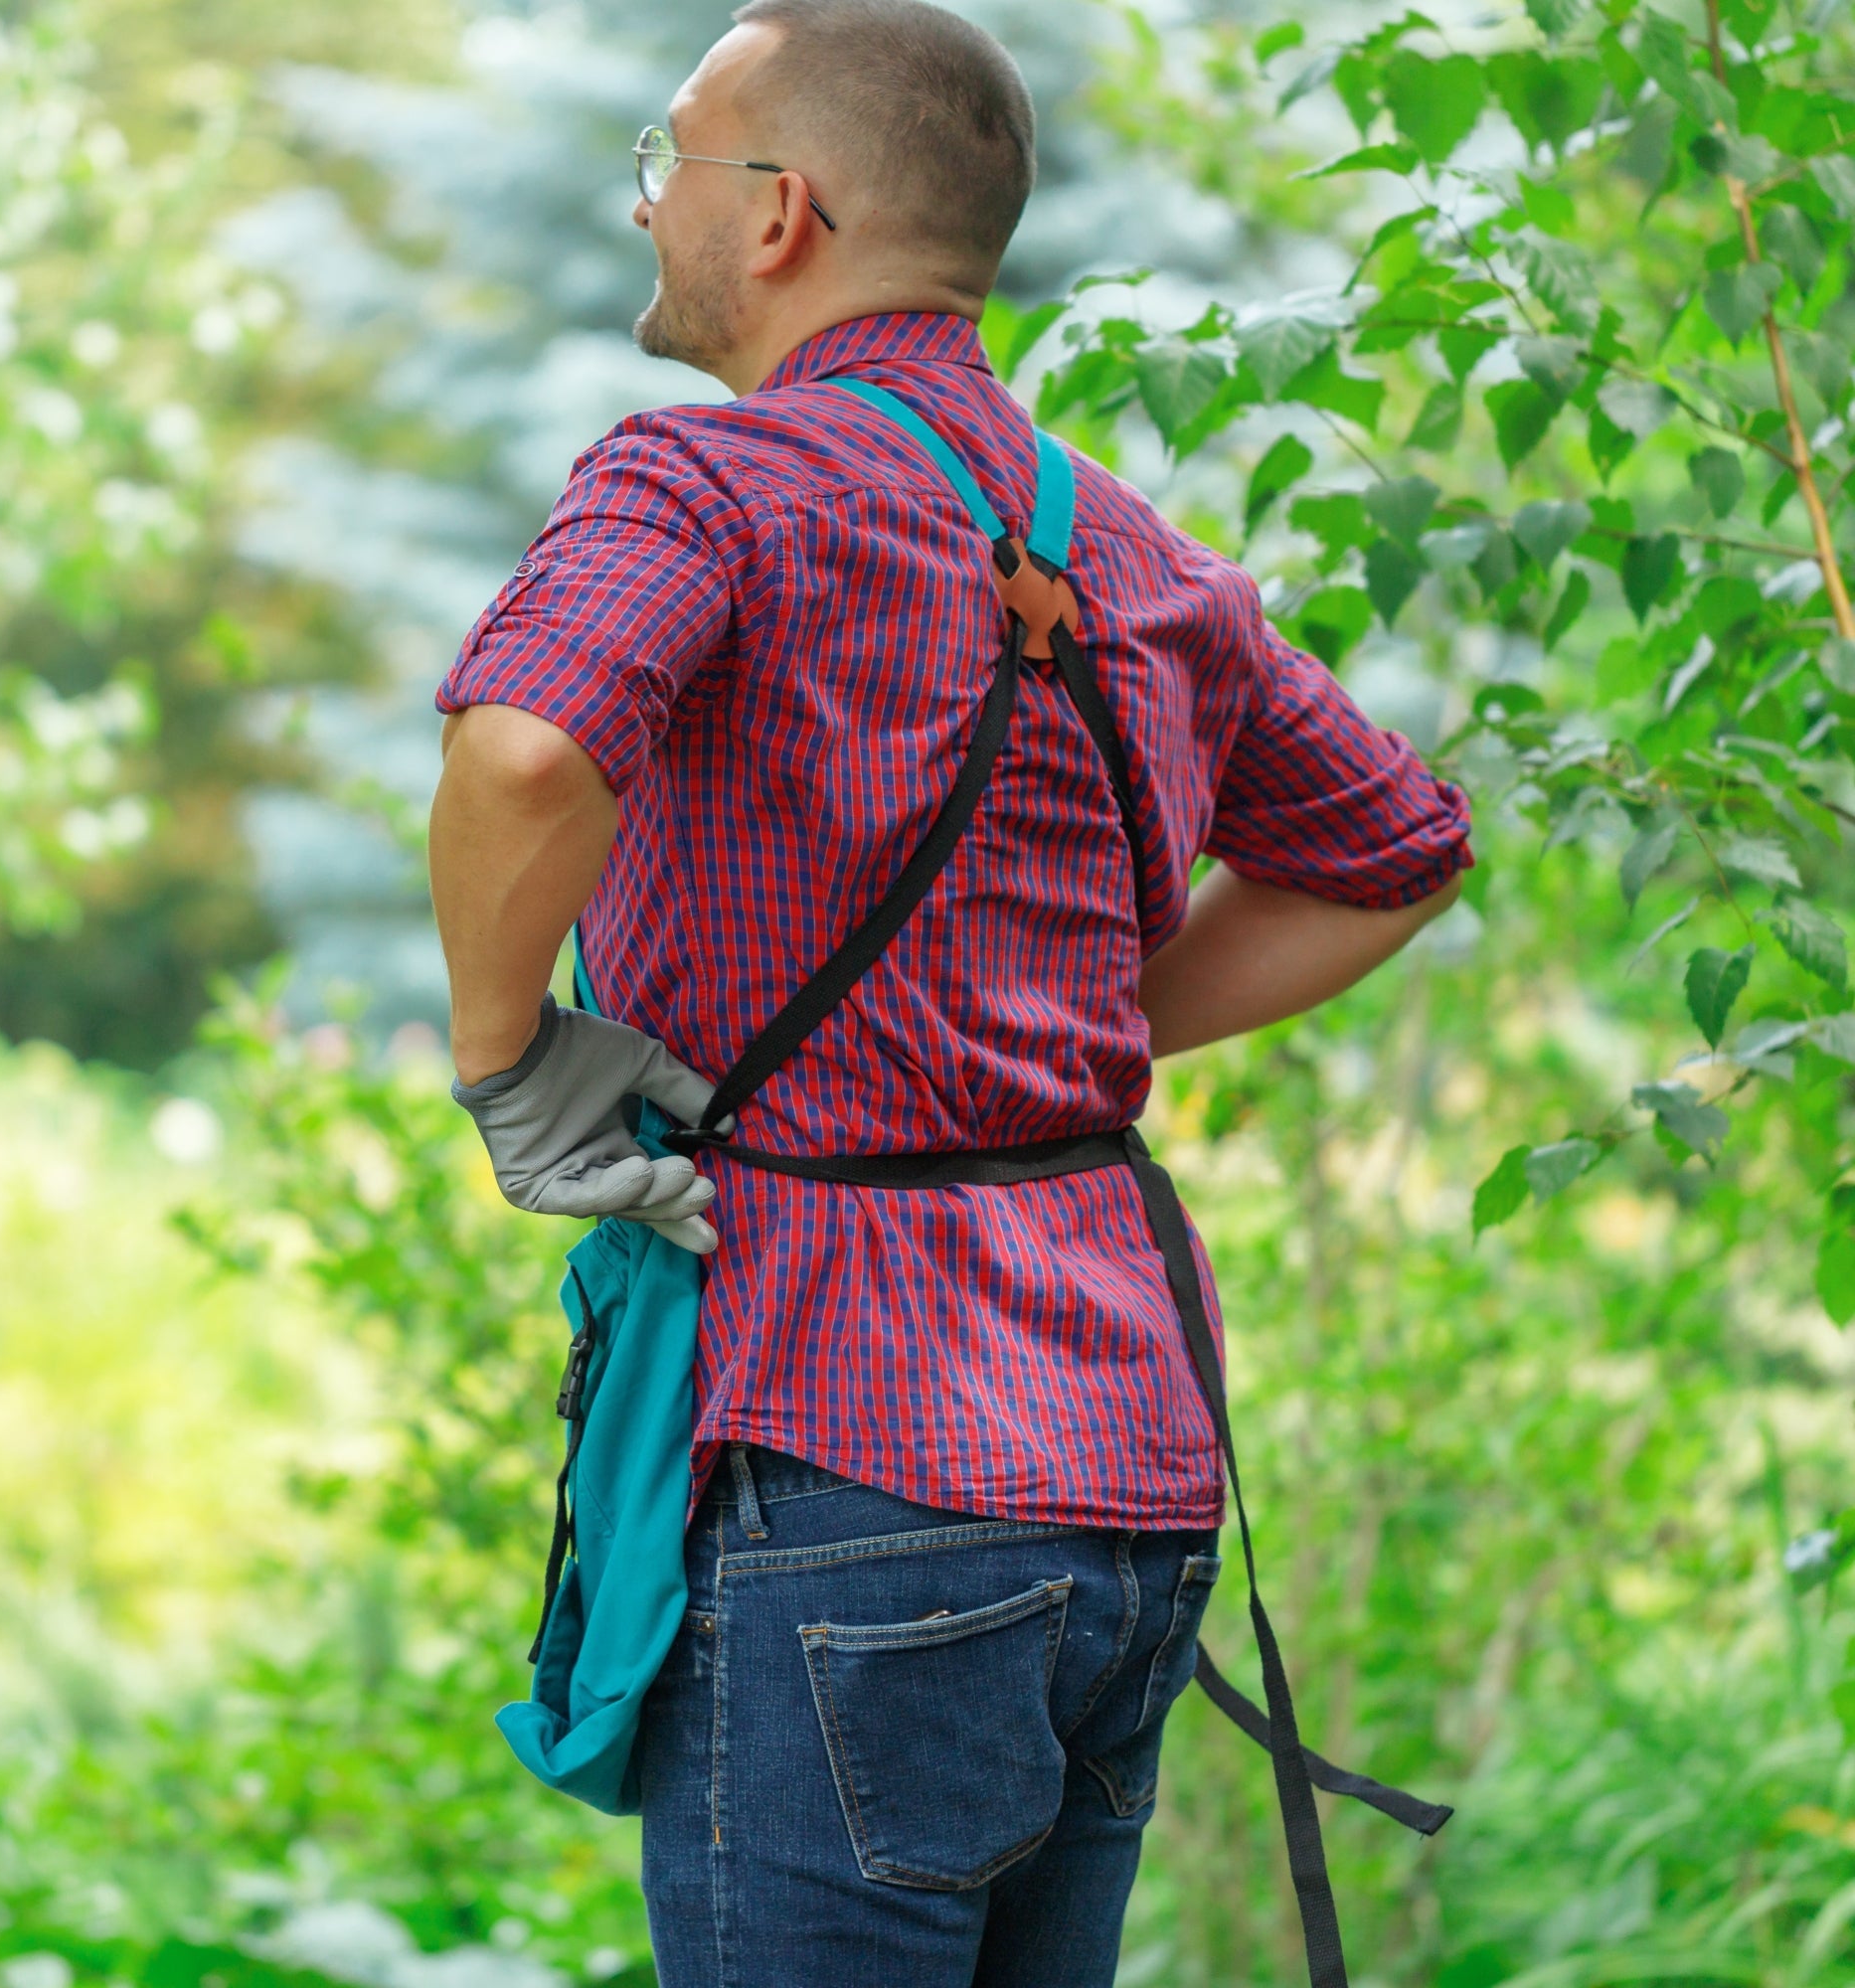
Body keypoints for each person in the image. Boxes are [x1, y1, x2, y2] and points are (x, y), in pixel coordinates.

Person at [427, 2, 1471, 1982]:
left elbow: (518, 756)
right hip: (1125, 1468)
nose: (647, 206)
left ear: (782, 216)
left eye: (672, 162)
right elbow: (1394, 850)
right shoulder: (1131, 547)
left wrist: (514, 1066)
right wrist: (1039, 1044)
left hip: (854, 1441)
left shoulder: (704, 490)